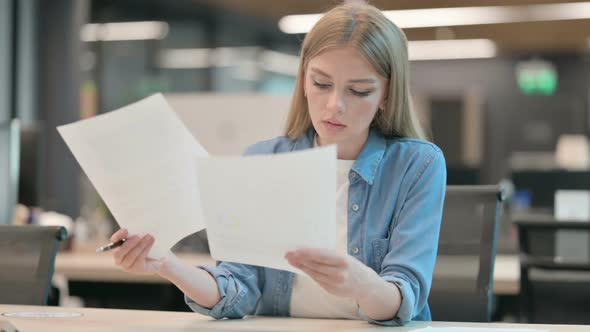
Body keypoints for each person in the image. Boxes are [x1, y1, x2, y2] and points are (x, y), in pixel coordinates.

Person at [110, 2, 446, 326]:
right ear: (302, 79)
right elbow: (236, 288)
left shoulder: (416, 165)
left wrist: (361, 282)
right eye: (321, 83)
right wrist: (164, 263)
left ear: (387, 94)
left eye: (358, 91)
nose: (334, 105)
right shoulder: (264, 160)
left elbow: (405, 298)